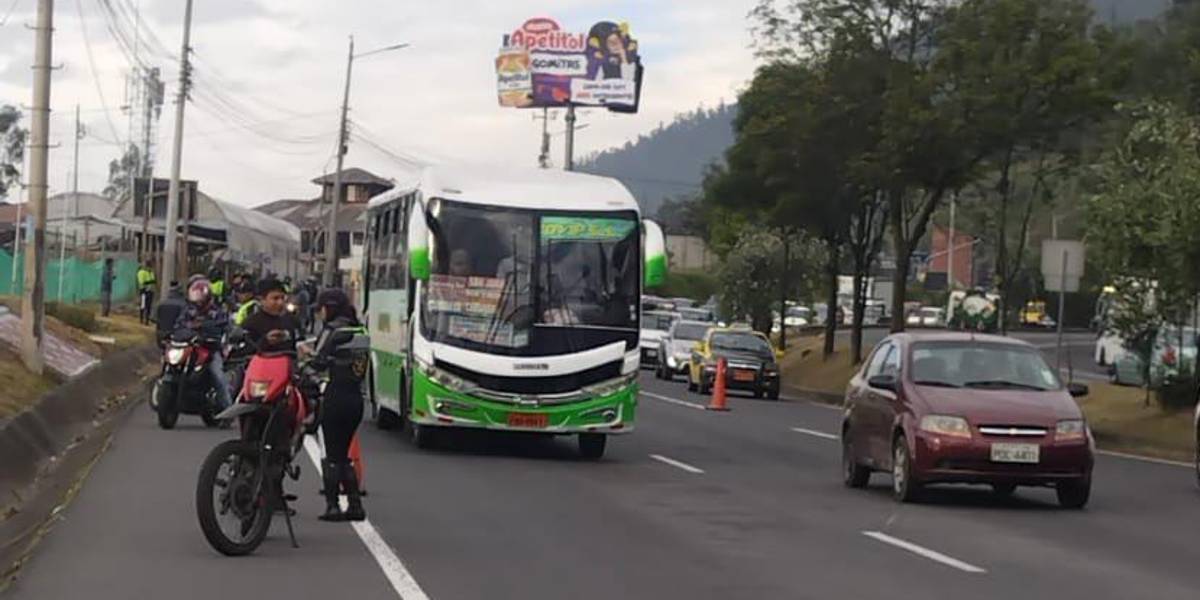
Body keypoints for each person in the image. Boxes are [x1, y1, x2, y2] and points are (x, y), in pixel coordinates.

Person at [309, 288, 369, 522]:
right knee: (344, 454)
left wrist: (305, 357)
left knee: (332, 454)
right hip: (356, 400)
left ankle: (332, 505)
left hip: (336, 396)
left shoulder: (333, 330)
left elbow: (318, 362)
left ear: (329, 307)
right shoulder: (359, 329)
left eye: (322, 308)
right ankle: (355, 505)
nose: (320, 313)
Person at [175, 276, 234, 411]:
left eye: (200, 296)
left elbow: (227, 327)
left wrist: (213, 331)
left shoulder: (218, 312)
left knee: (217, 375)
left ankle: (228, 410)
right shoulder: (188, 310)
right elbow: (178, 324)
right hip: (190, 347)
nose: (198, 300)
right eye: (195, 295)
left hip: (211, 350)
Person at [241, 277, 303, 354]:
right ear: (262, 300)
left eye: (282, 298)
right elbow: (242, 352)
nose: (280, 302)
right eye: (275, 298)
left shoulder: (292, 320)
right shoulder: (251, 323)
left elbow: (300, 341)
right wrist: (265, 342)